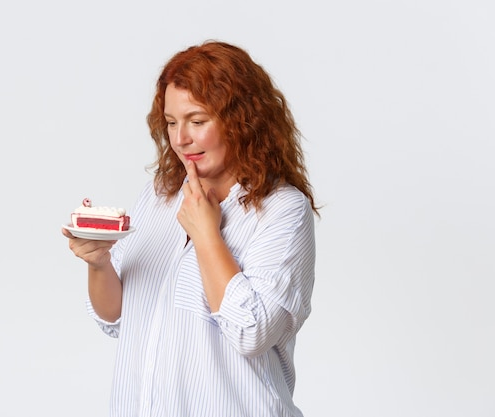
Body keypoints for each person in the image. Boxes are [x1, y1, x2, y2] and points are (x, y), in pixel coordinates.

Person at [62, 40, 318, 417]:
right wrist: (99, 262)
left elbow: (252, 332)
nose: (180, 139)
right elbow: (116, 318)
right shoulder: (159, 196)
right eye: (171, 122)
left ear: (242, 120)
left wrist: (206, 235)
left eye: (197, 121)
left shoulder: (282, 210)